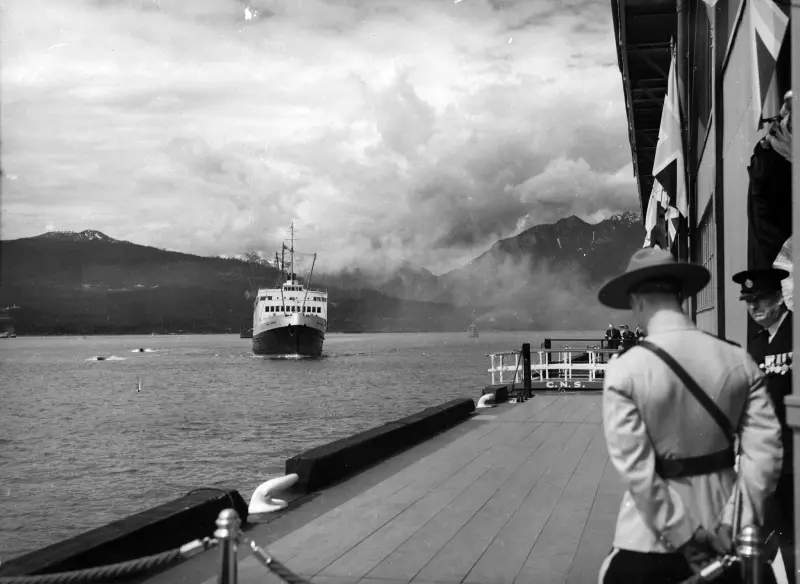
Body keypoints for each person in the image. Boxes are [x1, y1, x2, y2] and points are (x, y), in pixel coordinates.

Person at [597, 248, 783, 584]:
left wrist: (685, 536)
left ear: (638, 300)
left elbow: (637, 471)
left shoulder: (624, 370)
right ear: (680, 294)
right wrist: (733, 523)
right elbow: (765, 455)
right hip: (729, 540)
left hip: (649, 542)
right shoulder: (739, 360)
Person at [733, 268, 794, 580]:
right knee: (768, 529)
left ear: (779, 297)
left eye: (760, 300)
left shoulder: (796, 332)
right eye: (748, 302)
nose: (754, 307)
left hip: (795, 455)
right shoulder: (756, 344)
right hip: (765, 457)